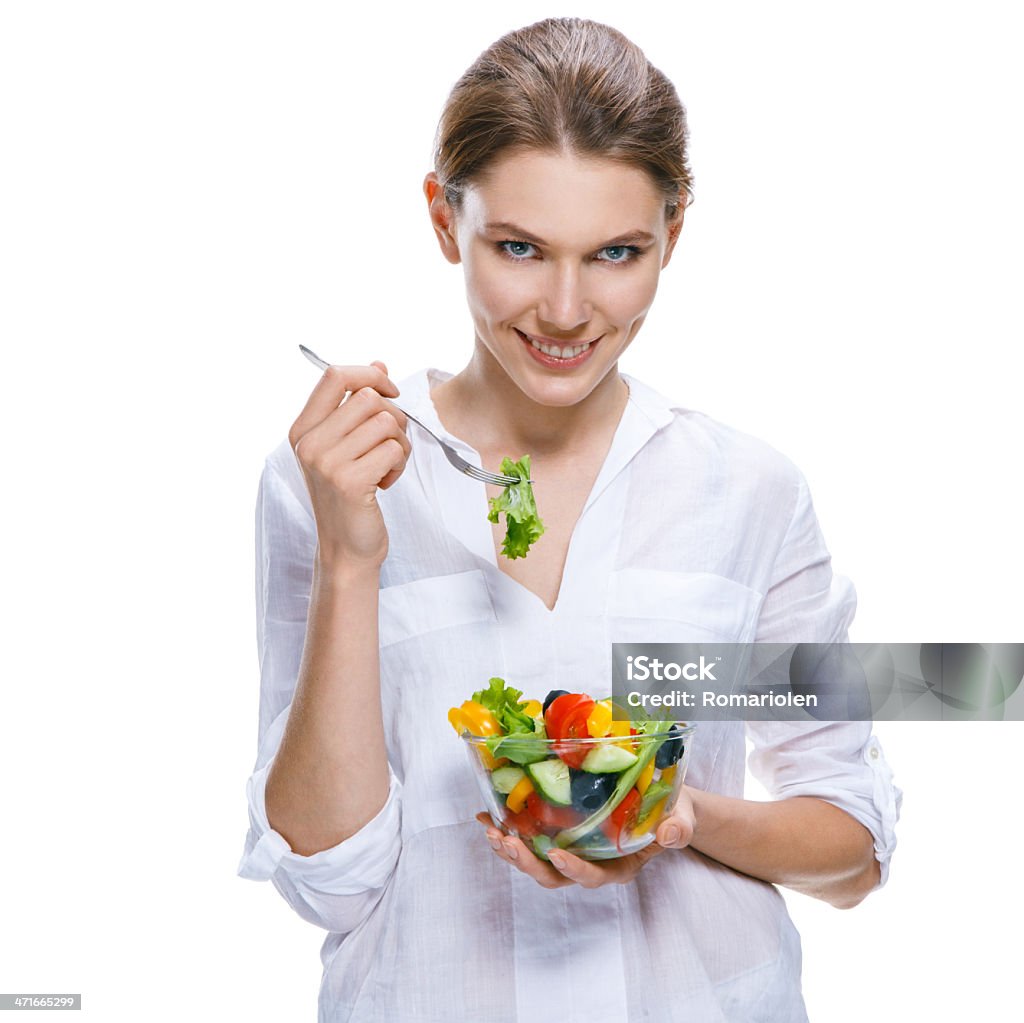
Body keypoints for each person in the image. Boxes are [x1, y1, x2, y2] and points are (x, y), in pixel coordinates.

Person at [237, 17, 901, 1023]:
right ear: (441, 219)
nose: (563, 308)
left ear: (672, 235)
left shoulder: (748, 493)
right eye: (518, 247)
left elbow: (850, 846)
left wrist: (675, 817)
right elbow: (325, 879)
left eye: (615, 253)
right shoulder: (331, 483)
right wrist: (348, 563)